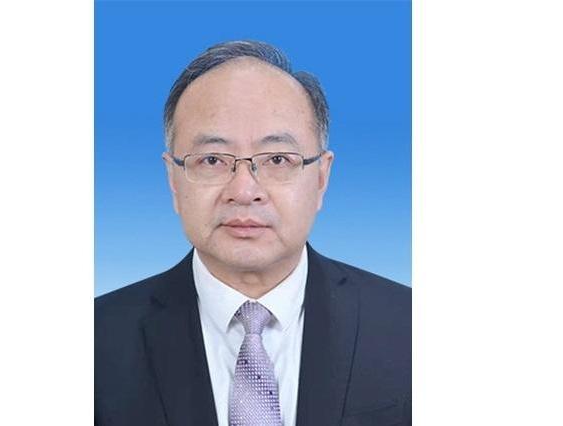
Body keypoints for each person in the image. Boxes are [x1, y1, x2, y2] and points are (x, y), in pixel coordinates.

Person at [95, 40, 411, 426]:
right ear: (173, 179)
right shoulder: (97, 340)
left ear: (322, 177)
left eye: (277, 159)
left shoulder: (409, 326)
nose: (244, 191)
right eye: (212, 159)